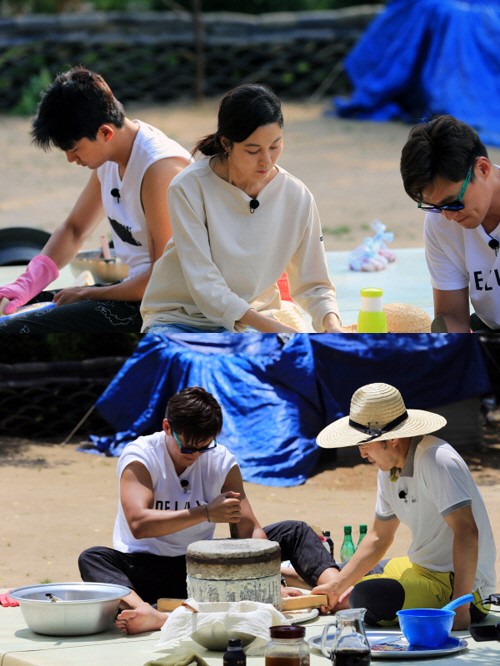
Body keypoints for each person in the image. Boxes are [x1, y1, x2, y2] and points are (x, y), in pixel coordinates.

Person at [78, 386, 342, 635]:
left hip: (204, 568)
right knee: (93, 558)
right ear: (167, 427)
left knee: (292, 531)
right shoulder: (141, 455)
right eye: (188, 447)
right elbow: (139, 523)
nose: (195, 455)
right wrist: (205, 513)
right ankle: (143, 611)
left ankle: (337, 591)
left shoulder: (220, 460)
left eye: (204, 447)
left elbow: (249, 530)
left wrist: (271, 583)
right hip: (146, 568)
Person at [0, 66, 192, 333]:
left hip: (175, 309)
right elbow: (75, 229)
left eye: (74, 149)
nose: (70, 159)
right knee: (11, 311)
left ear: (105, 133)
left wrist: (88, 294)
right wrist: (27, 282)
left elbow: (167, 281)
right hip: (138, 291)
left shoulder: (160, 170)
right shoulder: (111, 157)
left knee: (14, 329)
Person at [140, 83, 342, 334]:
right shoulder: (188, 188)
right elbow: (204, 282)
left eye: (275, 146)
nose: (266, 160)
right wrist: (275, 329)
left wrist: (331, 323)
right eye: (252, 150)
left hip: (253, 322)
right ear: (226, 143)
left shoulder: (296, 196)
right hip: (181, 320)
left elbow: (315, 286)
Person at [313, 382, 496, 630]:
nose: (362, 454)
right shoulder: (387, 470)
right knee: (338, 574)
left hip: (461, 588)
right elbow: (378, 537)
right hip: (417, 566)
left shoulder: (437, 459)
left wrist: (460, 609)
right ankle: (295, 581)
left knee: (366, 596)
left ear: (393, 439)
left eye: (365, 445)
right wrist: (336, 586)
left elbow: (467, 532)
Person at [400, 114, 500, 333]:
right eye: (434, 206)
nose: (447, 215)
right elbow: (452, 316)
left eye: (453, 202)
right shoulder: (439, 223)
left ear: (482, 169)